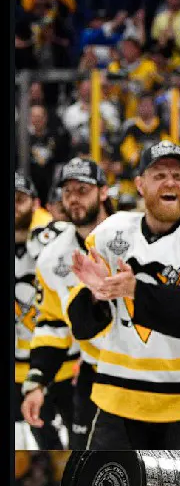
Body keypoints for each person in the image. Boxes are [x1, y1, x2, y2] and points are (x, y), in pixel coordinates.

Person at [66, 141, 180, 448]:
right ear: (139, 184)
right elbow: (81, 327)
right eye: (159, 175)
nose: (170, 181)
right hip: (118, 398)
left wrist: (134, 290)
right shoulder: (112, 232)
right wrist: (96, 296)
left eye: (178, 175)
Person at [22, 158, 111, 449]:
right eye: (68, 191)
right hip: (94, 371)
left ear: (103, 192)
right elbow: (51, 323)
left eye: (82, 189)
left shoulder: (130, 236)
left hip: (147, 372)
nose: (74, 198)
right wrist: (38, 381)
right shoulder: (51, 257)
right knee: (84, 457)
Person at [14, 170, 76, 448]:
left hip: (65, 362)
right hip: (21, 370)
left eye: (19, 199)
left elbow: (61, 237)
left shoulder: (50, 234)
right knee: (45, 443)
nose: (14, 206)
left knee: (84, 442)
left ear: (35, 203)